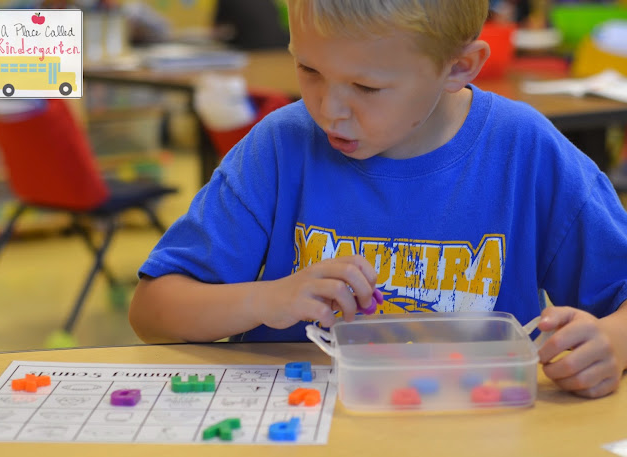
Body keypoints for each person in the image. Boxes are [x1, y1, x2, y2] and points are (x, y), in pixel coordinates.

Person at [130, 0, 627, 399]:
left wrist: (612, 342)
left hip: (471, 428)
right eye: (308, 69)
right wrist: (267, 298)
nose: (330, 111)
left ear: (459, 66)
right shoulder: (280, 147)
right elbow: (152, 311)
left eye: (367, 87)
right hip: (300, 423)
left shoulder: (526, 153)